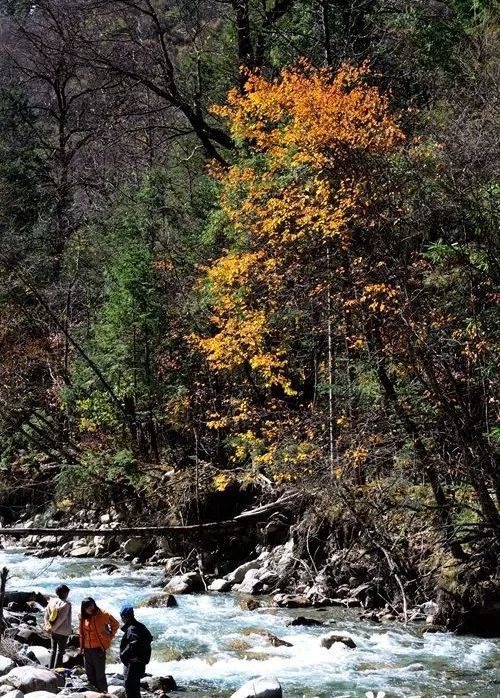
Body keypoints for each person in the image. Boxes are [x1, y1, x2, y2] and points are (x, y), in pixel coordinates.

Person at [79, 597, 119, 693]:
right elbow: (81, 633)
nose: (90, 608)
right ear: (84, 608)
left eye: (91, 605)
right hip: (86, 649)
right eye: (87, 607)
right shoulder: (82, 617)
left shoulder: (104, 614)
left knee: (100, 675)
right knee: (89, 674)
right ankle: (94, 694)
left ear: (94, 604)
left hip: (98, 649)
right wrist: (81, 647)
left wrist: (109, 636)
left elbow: (116, 624)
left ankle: (104, 694)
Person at [119, 605, 153, 698]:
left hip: (132, 664)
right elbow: (149, 638)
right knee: (135, 688)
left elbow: (135, 643)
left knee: (130, 689)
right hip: (140, 662)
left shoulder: (131, 628)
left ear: (124, 617)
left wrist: (124, 654)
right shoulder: (141, 626)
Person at [44, 584, 72, 669]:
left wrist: (48, 627)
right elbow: (61, 619)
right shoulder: (66, 604)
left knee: (53, 650)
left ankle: (50, 668)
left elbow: (46, 615)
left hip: (53, 630)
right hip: (62, 632)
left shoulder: (51, 601)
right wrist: (53, 629)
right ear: (65, 593)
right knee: (60, 652)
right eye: (67, 592)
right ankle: (57, 671)